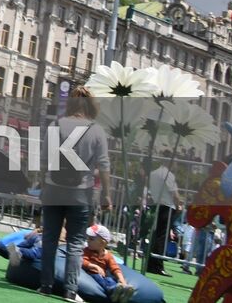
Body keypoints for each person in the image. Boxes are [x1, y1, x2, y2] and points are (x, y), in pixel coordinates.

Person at [39, 86, 112, 302]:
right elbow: (104, 165)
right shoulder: (97, 130)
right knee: (76, 242)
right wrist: (107, 194)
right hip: (81, 193)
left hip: (54, 188)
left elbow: (44, 160)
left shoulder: (56, 125)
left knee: (50, 238)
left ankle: (45, 285)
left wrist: (43, 184)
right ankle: (70, 290)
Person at [80, 224, 136, 302]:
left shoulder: (108, 255)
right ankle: (113, 291)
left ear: (102, 243)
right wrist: (94, 266)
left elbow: (115, 268)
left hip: (104, 276)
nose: (88, 240)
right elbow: (82, 261)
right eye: (88, 238)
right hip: (92, 274)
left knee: (110, 279)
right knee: (99, 278)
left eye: (91, 239)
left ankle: (122, 293)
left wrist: (121, 280)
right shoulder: (87, 250)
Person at [144, 163, 181, 274]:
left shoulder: (153, 173)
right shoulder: (169, 175)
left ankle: (151, 264)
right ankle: (158, 265)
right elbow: (174, 193)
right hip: (167, 206)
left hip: (157, 205)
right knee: (162, 237)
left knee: (155, 235)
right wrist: (178, 204)